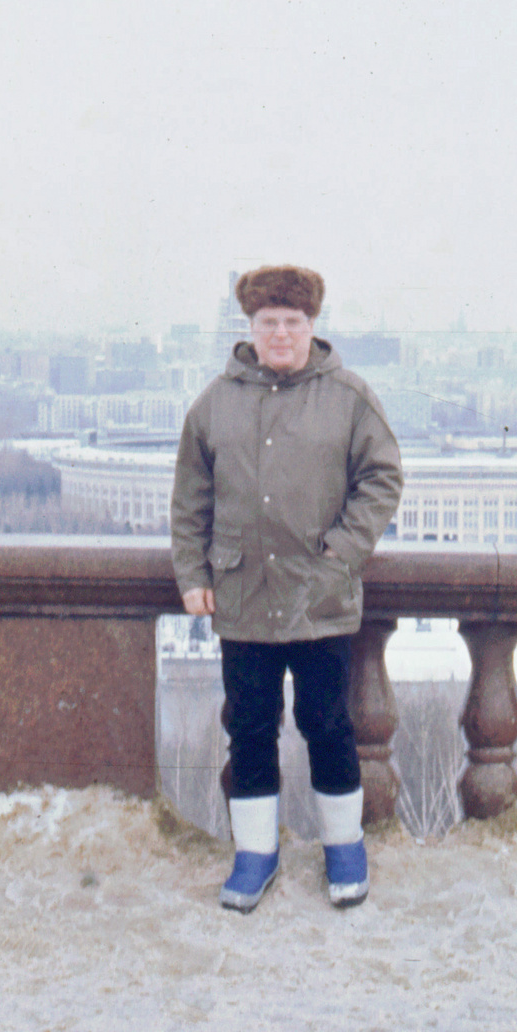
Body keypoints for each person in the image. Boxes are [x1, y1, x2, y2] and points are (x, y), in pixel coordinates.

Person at [170, 264, 403, 912]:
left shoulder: (350, 397)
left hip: (319, 601)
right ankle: (254, 854)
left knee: (327, 724)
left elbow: (383, 478)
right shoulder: (214, 405)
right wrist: (192, 576)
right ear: (250, 326)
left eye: (292, 322)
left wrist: (341, 554)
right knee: (248, 727)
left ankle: (344, 846)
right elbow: (189, 502)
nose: (280, 334)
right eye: (268, 322)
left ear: (311, 326)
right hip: (242, 599)